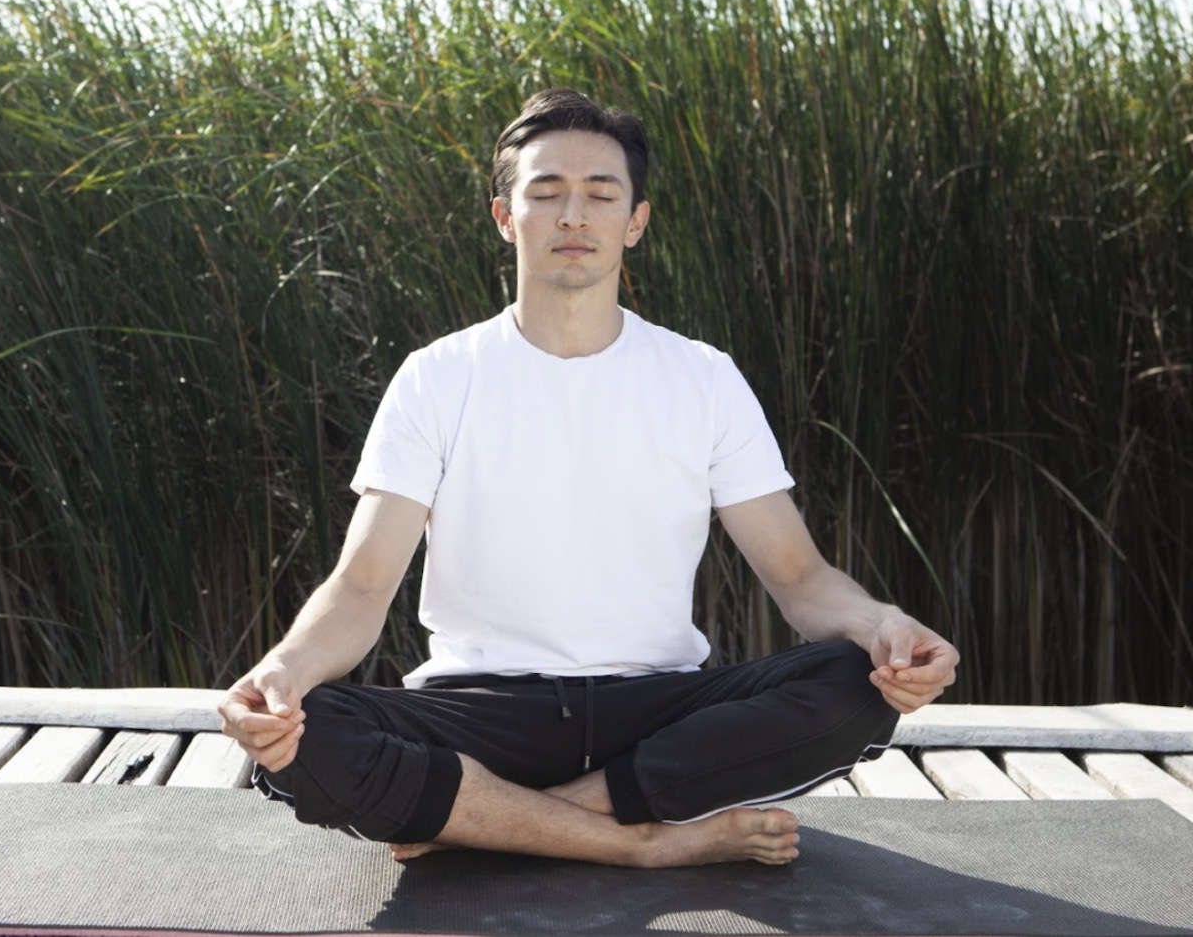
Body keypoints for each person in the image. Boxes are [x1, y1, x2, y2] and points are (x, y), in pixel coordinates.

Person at [218, 88, 959, 869]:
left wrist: (882, 628)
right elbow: (363, 587)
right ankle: (641, 845)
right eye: (546, 194)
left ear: (634, 222)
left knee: (851, 681)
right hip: (483, 711)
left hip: (657, 713)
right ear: (506, 217)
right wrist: (283, 671)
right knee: (310, 731)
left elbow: (799, 576)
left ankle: (494, 821)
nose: (574, 215)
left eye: (601, 195)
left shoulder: (702, 376)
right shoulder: (436, 377)